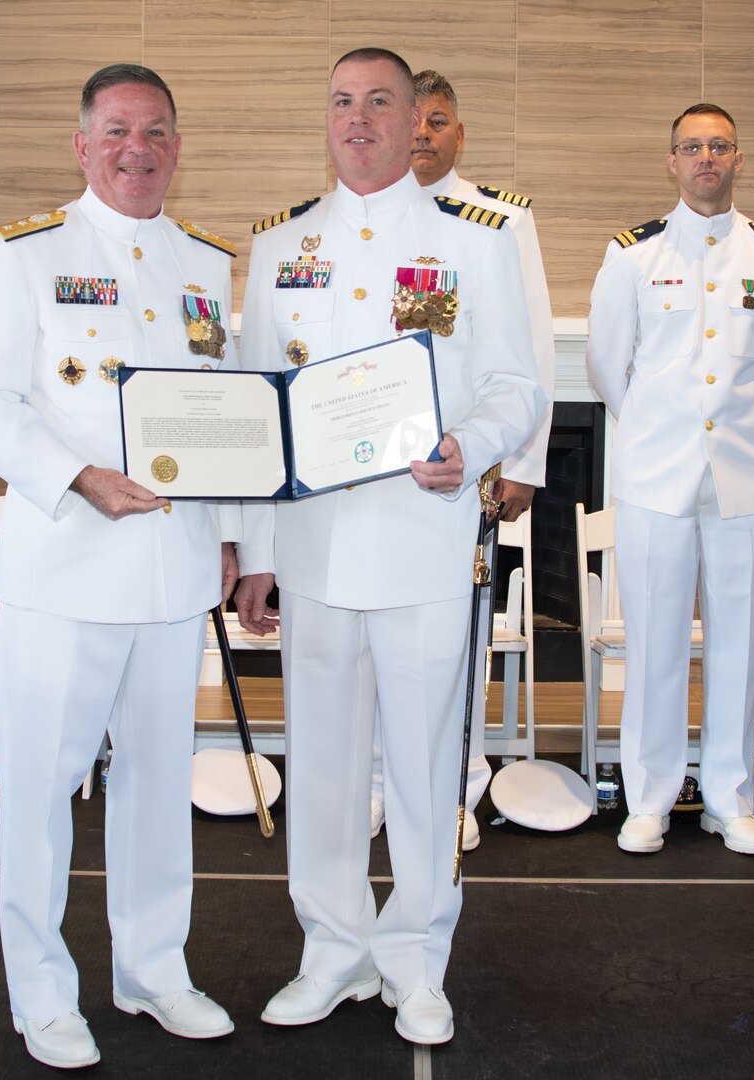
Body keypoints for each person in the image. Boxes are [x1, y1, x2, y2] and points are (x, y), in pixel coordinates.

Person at [233, 47, 544, 1046]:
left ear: (416, 120)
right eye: (340, 102)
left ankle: (414, 961)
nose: (357, 119)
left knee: (419, 765)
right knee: (320, 768)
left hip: (422, 542)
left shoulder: (477, 237)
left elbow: (515, 385)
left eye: (379, 102)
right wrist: (248, 550)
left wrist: (474, 447)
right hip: (314, 551)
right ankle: (331, 952)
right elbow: (250, 411)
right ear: (322, 118)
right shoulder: (281, 247)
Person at [0, 63, 241, 1069]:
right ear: (82, 145)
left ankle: (154, 970)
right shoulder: (22, 254)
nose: (137, 149)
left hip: (174, 573)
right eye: (116, 130)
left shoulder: (205, 262)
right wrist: (78, 477)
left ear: (175, 144)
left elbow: (225, 415)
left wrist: (237, 534)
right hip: (69, 570)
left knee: (160, 786)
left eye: (156, 130)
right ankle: (41, 992)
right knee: (41, 788)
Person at [586, 103, 754, 858]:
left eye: (718, 146)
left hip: (746, 480)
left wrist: (737, 434)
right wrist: (665, 432)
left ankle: (729, 796)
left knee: (738, 644)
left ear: (738, 158)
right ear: (671, 161)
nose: (705, 158)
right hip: (656, 478)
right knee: (651, 643)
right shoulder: (632, 256)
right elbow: (606, 369)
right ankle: (648, 798)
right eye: (691, 147)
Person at [364, 69, 559, 850]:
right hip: (376, 473)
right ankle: (379, 785)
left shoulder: (498, 221)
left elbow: (534, 349)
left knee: (457, 638)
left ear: (457, 133)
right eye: (414, 120)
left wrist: (525, 464)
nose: (421, 136)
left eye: (437, 122)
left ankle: (455, 791)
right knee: (376, 638)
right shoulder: (370, 218)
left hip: (466, 467)